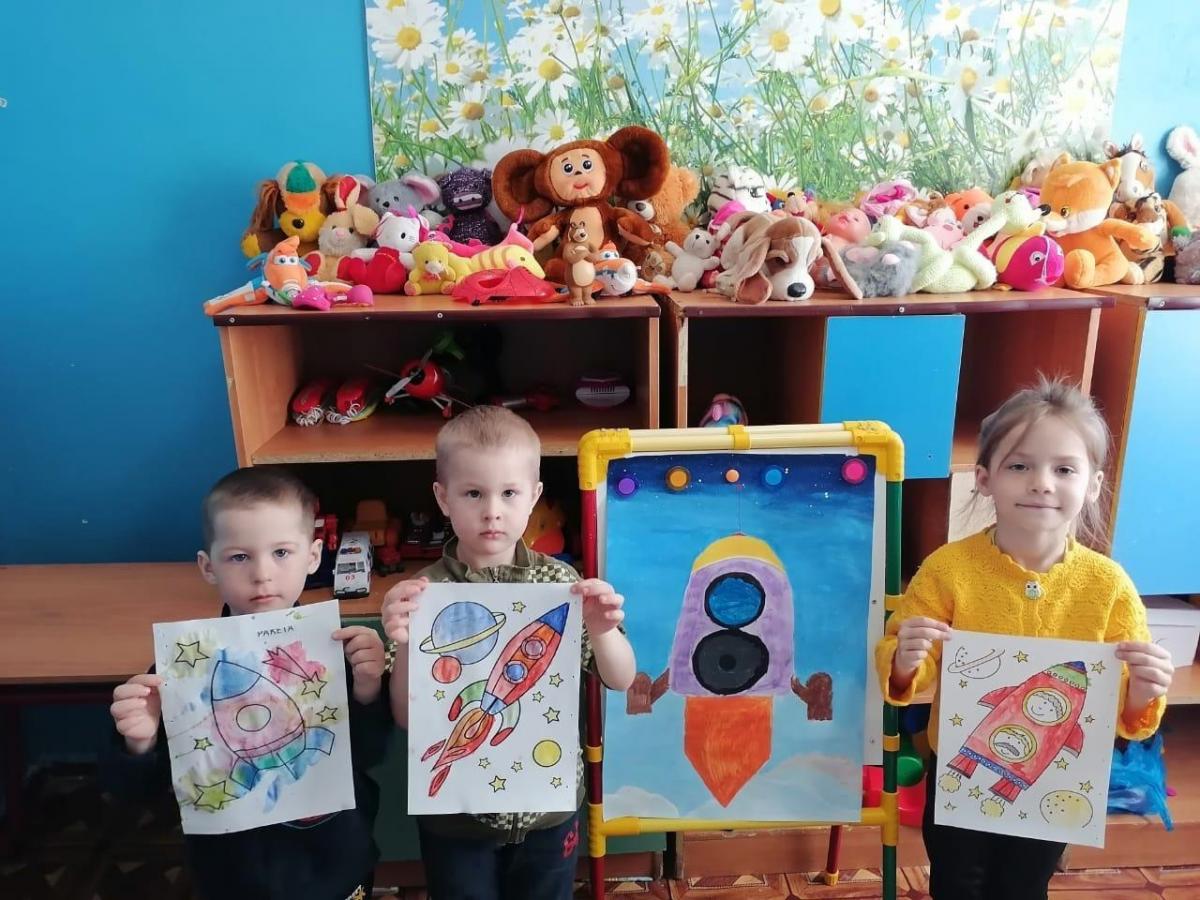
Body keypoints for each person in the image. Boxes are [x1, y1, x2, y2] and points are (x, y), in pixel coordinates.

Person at [876, 377, 1174, 900]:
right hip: (960, 770)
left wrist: (1144, 692)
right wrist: (905, 658)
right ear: (984, 479)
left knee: (1025, 884)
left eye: (1064, 469)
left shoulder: (1109, 587)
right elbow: (906, 668)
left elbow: (1125, 706)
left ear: (1093, 485)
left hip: (1055, 777)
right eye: (1019, 466)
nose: (1041, 483)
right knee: (957, 881)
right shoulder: (949, 569)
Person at [382, 405, 636, 900]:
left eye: (509, 493)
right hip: (456, 818)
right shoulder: (421, 595)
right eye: (473, 493)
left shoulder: (561, 583)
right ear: (443, 498)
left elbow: (622, 678)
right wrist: (406, 642)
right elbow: (407, 717)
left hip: (547, 811)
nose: (492, 511)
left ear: (534, 496)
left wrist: (603, 631)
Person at [108, 468, 391, 900]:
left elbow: (372, 755)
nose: (262, 573)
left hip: (335, 866)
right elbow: (136, 793)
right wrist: (138, 744)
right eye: (240, 557)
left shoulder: (342, 653)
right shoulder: (181, 672)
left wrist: (368, 689)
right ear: (208, 566)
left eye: (281, 552)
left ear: (314, 556)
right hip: (232, 877)